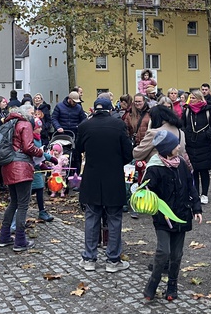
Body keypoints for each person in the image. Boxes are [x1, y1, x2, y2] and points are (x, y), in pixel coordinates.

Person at [142, 130, 202, 301]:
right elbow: (146, 190)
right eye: (175, 145)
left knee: (176, 254)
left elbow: (190, 187)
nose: (178, 147)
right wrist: (146, 196)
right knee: (163, 251)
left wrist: (196, 208)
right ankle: (152, 284)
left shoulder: (181, 163)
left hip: (181, 215)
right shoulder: (154, 168)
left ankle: (172, 286)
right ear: (167, 149)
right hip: (163, 217)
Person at [76, 97, 133, 272]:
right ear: (110, 110)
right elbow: (128, 153)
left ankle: (89, 258)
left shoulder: (85, 125)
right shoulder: (118, 125)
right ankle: (113, 260)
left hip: (92, 176)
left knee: (91, 217)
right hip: (113, 177)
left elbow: (78, 150)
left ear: (94, 110)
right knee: (114, 218)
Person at [0, 105, 44, 252]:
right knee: (23, 204)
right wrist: (40, 152)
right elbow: (28, 147)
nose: (33, 116)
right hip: (21, 167)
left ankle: (4, 236)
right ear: (25, 114)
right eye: (31, 113)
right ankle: (20, 240)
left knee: (13, 202)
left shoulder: (8, 124)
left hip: (7, 166)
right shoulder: (25, 124)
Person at [183, 90, 211, 204]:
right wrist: (186, 134)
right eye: (190, 98)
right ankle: (195, 193)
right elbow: (183, 124)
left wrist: (208, 134)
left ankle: (204, 194)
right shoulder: (187, 110)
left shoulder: (208, 110)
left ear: (199, 99)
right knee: (194, 170)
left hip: (205, 144)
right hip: (191, 144)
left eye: (193, 98)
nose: (191, 100)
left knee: (204, 171)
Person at [52, 91, 87, 172]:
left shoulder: (78, 108)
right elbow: (54, 118)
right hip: (61, 134)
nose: (75, 103)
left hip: (75, 133)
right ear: (69, 99)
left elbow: (84, 119)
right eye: (74, 102)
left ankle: (76, 172)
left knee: (76, 154)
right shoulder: (59, 106)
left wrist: (80, 126)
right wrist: (58, 127)